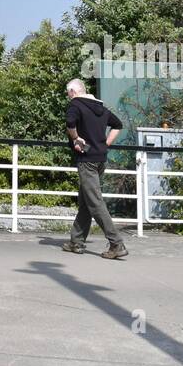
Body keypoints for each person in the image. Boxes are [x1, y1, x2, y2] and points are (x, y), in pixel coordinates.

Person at [62, 78, 128, 260]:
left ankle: (116, 243)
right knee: (86, 201)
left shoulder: (76, 104)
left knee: (95, 202)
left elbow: (70, 122)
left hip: (87, 160)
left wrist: (76, 139)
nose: (68, 97)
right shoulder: (100, 107)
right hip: (100, 159)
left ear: (73, 92)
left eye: (68, 93)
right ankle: (76, 241)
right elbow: (118, 125)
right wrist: (105, 143)